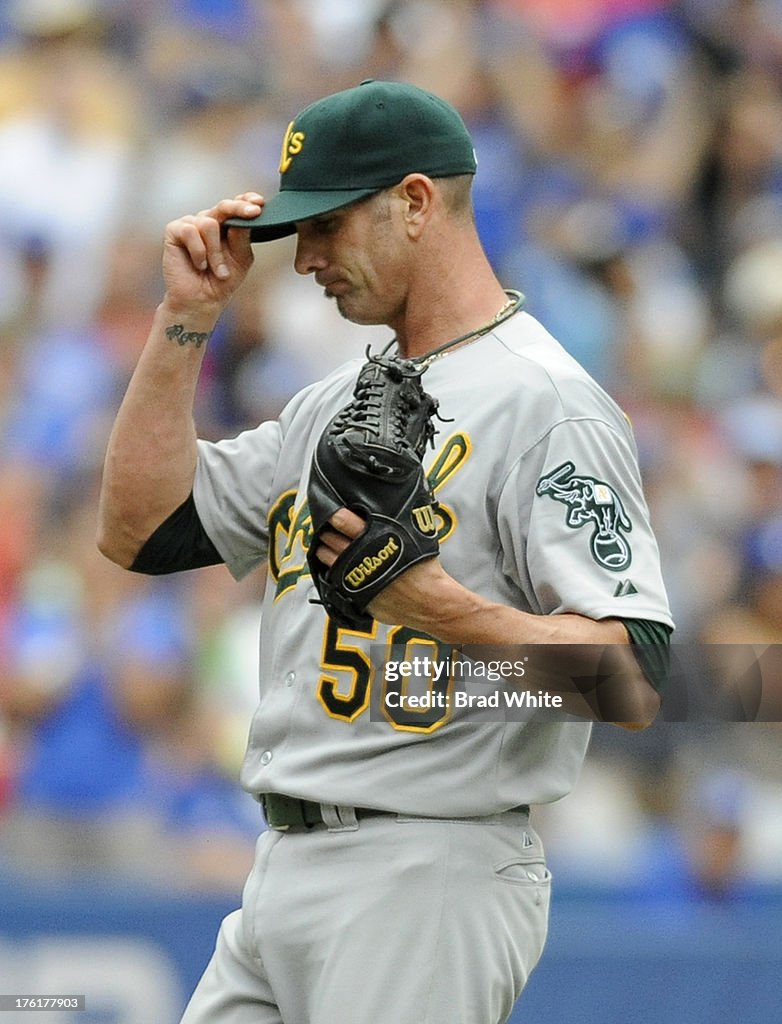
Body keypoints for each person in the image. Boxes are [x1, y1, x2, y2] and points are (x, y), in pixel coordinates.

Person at [98, 80, 674, 1024]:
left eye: (326, 225)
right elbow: (139, 529)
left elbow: (634, 684)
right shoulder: (334, 401)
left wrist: (440, 608)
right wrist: (185, 321)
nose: (306, 258)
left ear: (414, 201)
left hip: (428, 869)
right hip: (282, 862)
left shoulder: (547, 403)